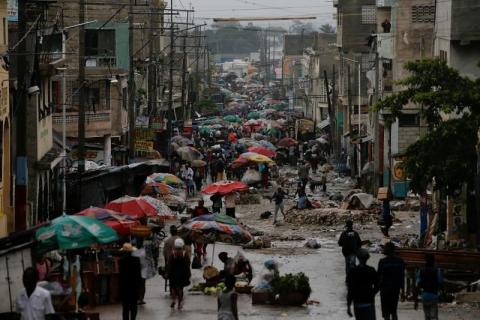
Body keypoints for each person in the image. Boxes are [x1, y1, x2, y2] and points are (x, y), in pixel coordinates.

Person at [347, 249, 379, 320]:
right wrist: (372, 294)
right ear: (367, 258)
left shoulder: (353, 272)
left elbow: (350, 289)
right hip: (369, 302)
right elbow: (378, 285)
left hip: (358, 304)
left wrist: (348, 305)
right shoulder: (371, 270)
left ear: (358, 258)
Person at [377, 242, 405, 320]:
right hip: (395, 289)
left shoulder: (382, 261)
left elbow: (378, 277)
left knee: (386, 313)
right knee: (393, 311)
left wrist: (376, 290)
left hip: (385, 289)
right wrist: (403, 291)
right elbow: (402, 276)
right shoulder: (400, 261)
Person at [415, 254, 443, 320]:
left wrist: (416, 301)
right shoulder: (437, 270)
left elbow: (418, 285)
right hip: (434, 295)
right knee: (434, 317)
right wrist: (443, 295)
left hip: (424, 296)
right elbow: (440, 283)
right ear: (434, 261)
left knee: (427, 316)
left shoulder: (421, 270)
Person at [118, 243, 142, 320]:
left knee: (125, 307)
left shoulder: (121, 261)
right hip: (134, 286)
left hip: (124, 287)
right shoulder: (136, 260)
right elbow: (139, 275)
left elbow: (120, 275)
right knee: (133, 306)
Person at [167, 238, 191, 310]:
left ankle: (174, 300)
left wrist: (168, 273)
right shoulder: (184, 253)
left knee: (173, 287)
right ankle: (179, 304)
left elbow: (169, 264)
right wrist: (188, 273)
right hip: (182, 273)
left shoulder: (172, 253)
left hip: (173, 273)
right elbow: (188, 264)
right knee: (180, 288)